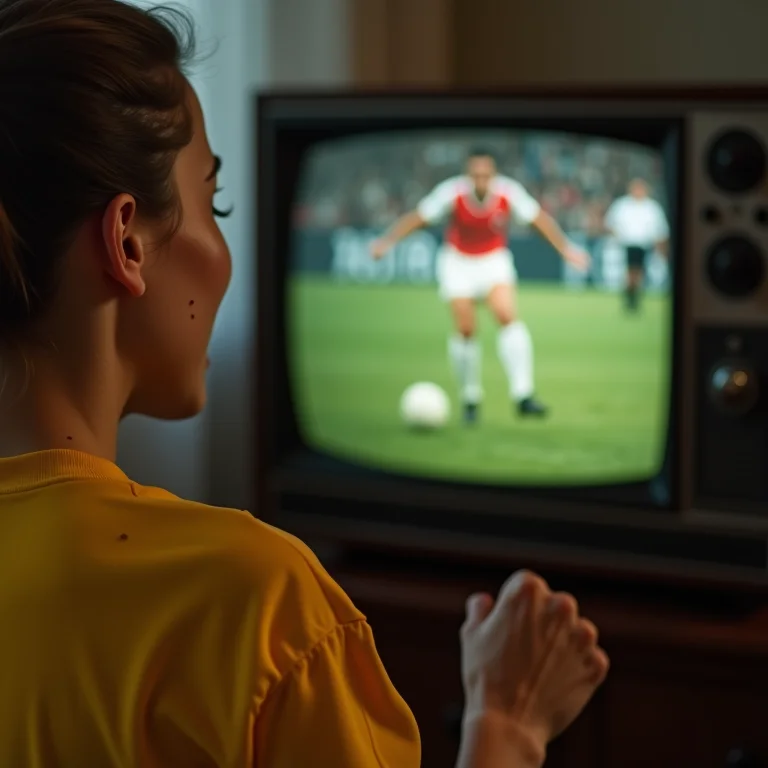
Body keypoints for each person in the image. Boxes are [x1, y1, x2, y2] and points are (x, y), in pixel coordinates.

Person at [0, 2, 608, 766]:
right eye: (213, 203)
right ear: (127, 243)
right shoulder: (255, 603)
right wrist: (506, 726)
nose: (225, 251)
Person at [370, 148, 590, 425]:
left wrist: (566, 249)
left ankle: (523, 395)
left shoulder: (508, 192)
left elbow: (539, 221)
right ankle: (470, 397)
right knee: (465, 328)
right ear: (468, 174)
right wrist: (387, 241)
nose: (481, 180)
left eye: (486, 174)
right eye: (476, 174)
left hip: (493, 260)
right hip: (458, 262)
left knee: (506, 315)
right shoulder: (451, 193)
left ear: (494, 174)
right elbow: (418, 217)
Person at [604, 178, 670, 312]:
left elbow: (661, 230)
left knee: (639, 273)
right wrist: (618, 236)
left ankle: (635, 299)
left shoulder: (652, 207)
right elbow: (609, 223)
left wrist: (660, 246)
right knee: (630, 272)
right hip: (627, 244)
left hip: (645, 245)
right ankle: (629, 298)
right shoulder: (622, 205)